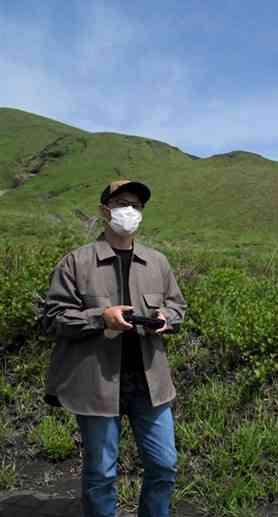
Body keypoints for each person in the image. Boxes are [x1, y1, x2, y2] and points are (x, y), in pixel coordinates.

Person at [42, 180, 187, 517]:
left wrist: (169, 318)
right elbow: (53, 318)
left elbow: (178, 307)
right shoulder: (75, 262)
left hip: (150, 386)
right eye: (122, 203)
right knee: (101, 474)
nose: (130, 211)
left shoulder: (158, 262)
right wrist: (100, 318)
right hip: (96, 386)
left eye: (137, 205)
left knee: (164, 465)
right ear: (104, 210)